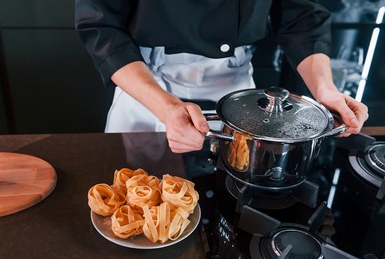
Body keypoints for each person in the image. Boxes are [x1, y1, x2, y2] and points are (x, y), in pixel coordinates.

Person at [75, 0, 369, 153]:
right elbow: (103, 28)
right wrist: (166, 107)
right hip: (147, 87)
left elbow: (301, 17)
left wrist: (325, 89)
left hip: (238, 90)